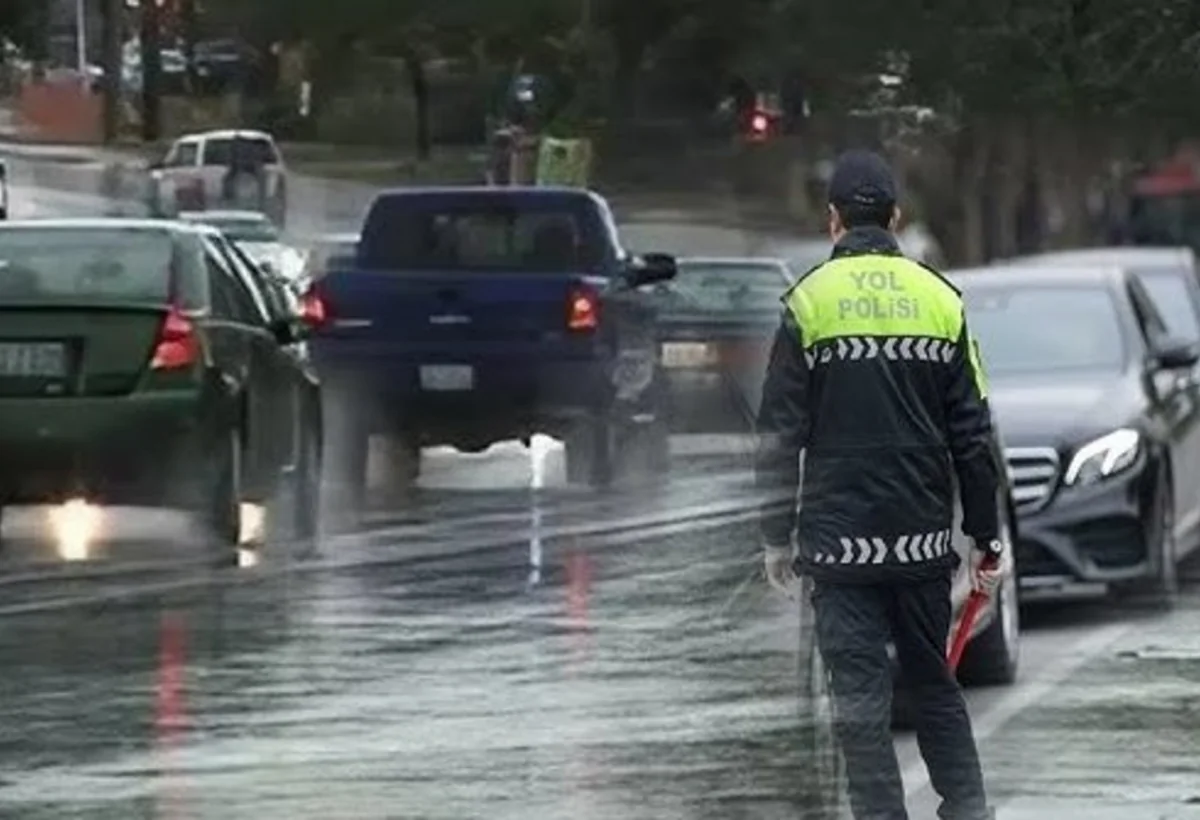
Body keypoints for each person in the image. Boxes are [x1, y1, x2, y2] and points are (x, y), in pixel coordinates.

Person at [754, 149, 1011, 820]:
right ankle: (968, 809)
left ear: (833, 219)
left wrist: (774, 537)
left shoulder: (808, 302)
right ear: (894, 218)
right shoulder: (940, 300)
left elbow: (778, 434)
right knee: (933, 683)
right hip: (923, 541)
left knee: (860, 703)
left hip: (839, 550)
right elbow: (973, 435)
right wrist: (985, 538)